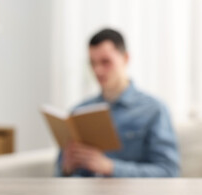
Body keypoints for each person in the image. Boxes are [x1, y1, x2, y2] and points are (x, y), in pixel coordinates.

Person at [56, 28, 180, 177]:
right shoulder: (79, 112)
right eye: (93, 63)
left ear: (126, 58)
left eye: (105, 62)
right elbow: (57, 174)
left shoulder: (154, 110)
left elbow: (169, 172)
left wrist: (110, 167)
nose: (98, 71)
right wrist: (66, 169)